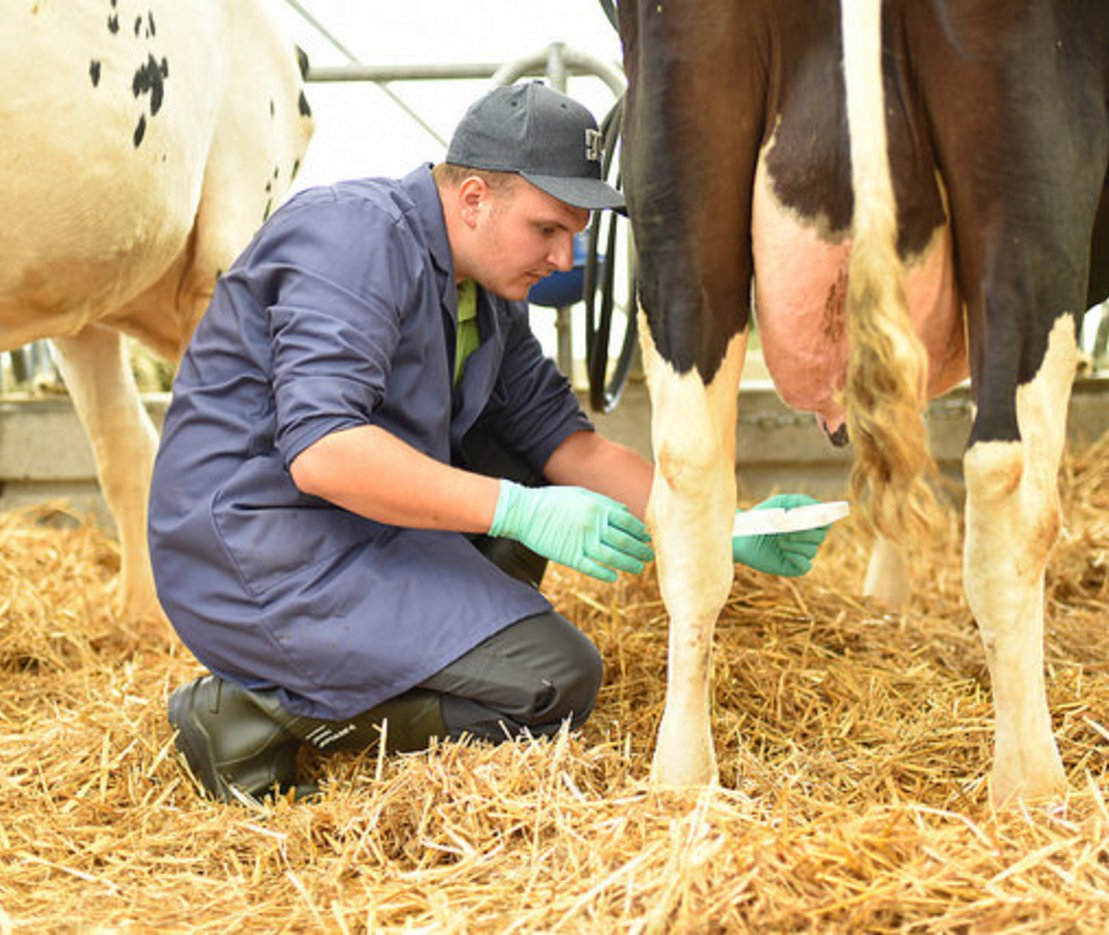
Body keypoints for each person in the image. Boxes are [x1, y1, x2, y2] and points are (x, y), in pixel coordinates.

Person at [151, 81, 830, 804]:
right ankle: (251, 714)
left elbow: (570, 446)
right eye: (547, 229)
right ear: (474, 197)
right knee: (554, 681)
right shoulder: (354, 237)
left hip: (359, 529)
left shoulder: (487, 296)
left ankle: (422, 650)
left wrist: (717, 524)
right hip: (257, 549)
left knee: (531, 465)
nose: (565, 260)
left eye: (574, 235)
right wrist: (517, 511)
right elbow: (325, 451)